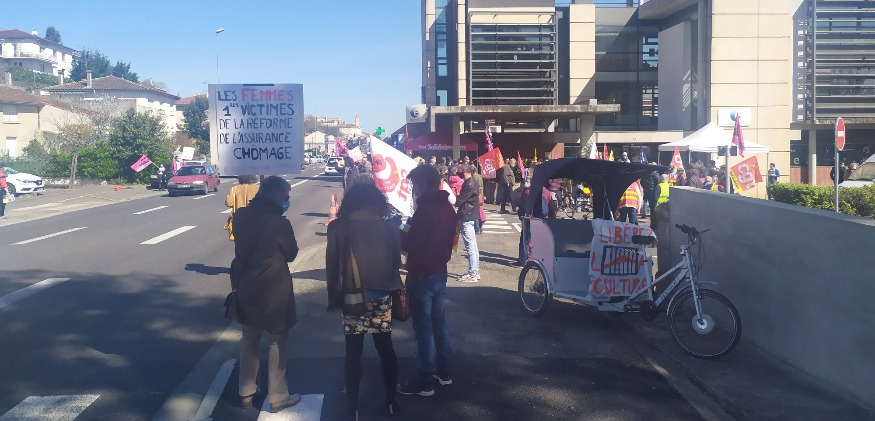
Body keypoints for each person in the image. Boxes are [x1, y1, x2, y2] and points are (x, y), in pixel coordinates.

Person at [326, 184, 401, 419]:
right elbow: (396, 263)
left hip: (351, 297)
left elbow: (332, 265)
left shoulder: (338, 227)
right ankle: (391, 400)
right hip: (381, 297)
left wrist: (333, 297)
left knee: (353, 353)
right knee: (385, 348)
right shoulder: (390, 229)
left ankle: (353, 407)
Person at [231, 176, 302, 413]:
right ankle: (278, 395)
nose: (287, 200)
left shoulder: (240, 216)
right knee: (276, 339)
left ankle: (245, 391)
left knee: (250, 337)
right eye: (286, 196)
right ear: (274, 194)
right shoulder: (279, 223)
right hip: (273, 288)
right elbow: (291, 254)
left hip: (246, 285)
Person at [397, 165, 457, 398]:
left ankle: (424, 381)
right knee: (439, 323)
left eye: (414, 185)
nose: (413, 190)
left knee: (424, 329)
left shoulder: (424, 210)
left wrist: (400, 229)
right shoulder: (447, 207)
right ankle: (444, 372)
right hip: (440, 271)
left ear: (422, 184)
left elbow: (409, 244)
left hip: (421, 273)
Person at [455, 164, 480, 282]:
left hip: (466, 215)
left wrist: (451, 198)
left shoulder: (469, 183)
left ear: (465, 171)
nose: (459, 173)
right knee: (473, 245)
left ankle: (472, 273)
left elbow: (460, 200)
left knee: (470, 247)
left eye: (460, 171)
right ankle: (475, 271)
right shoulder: (473, 181)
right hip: (470, 215)